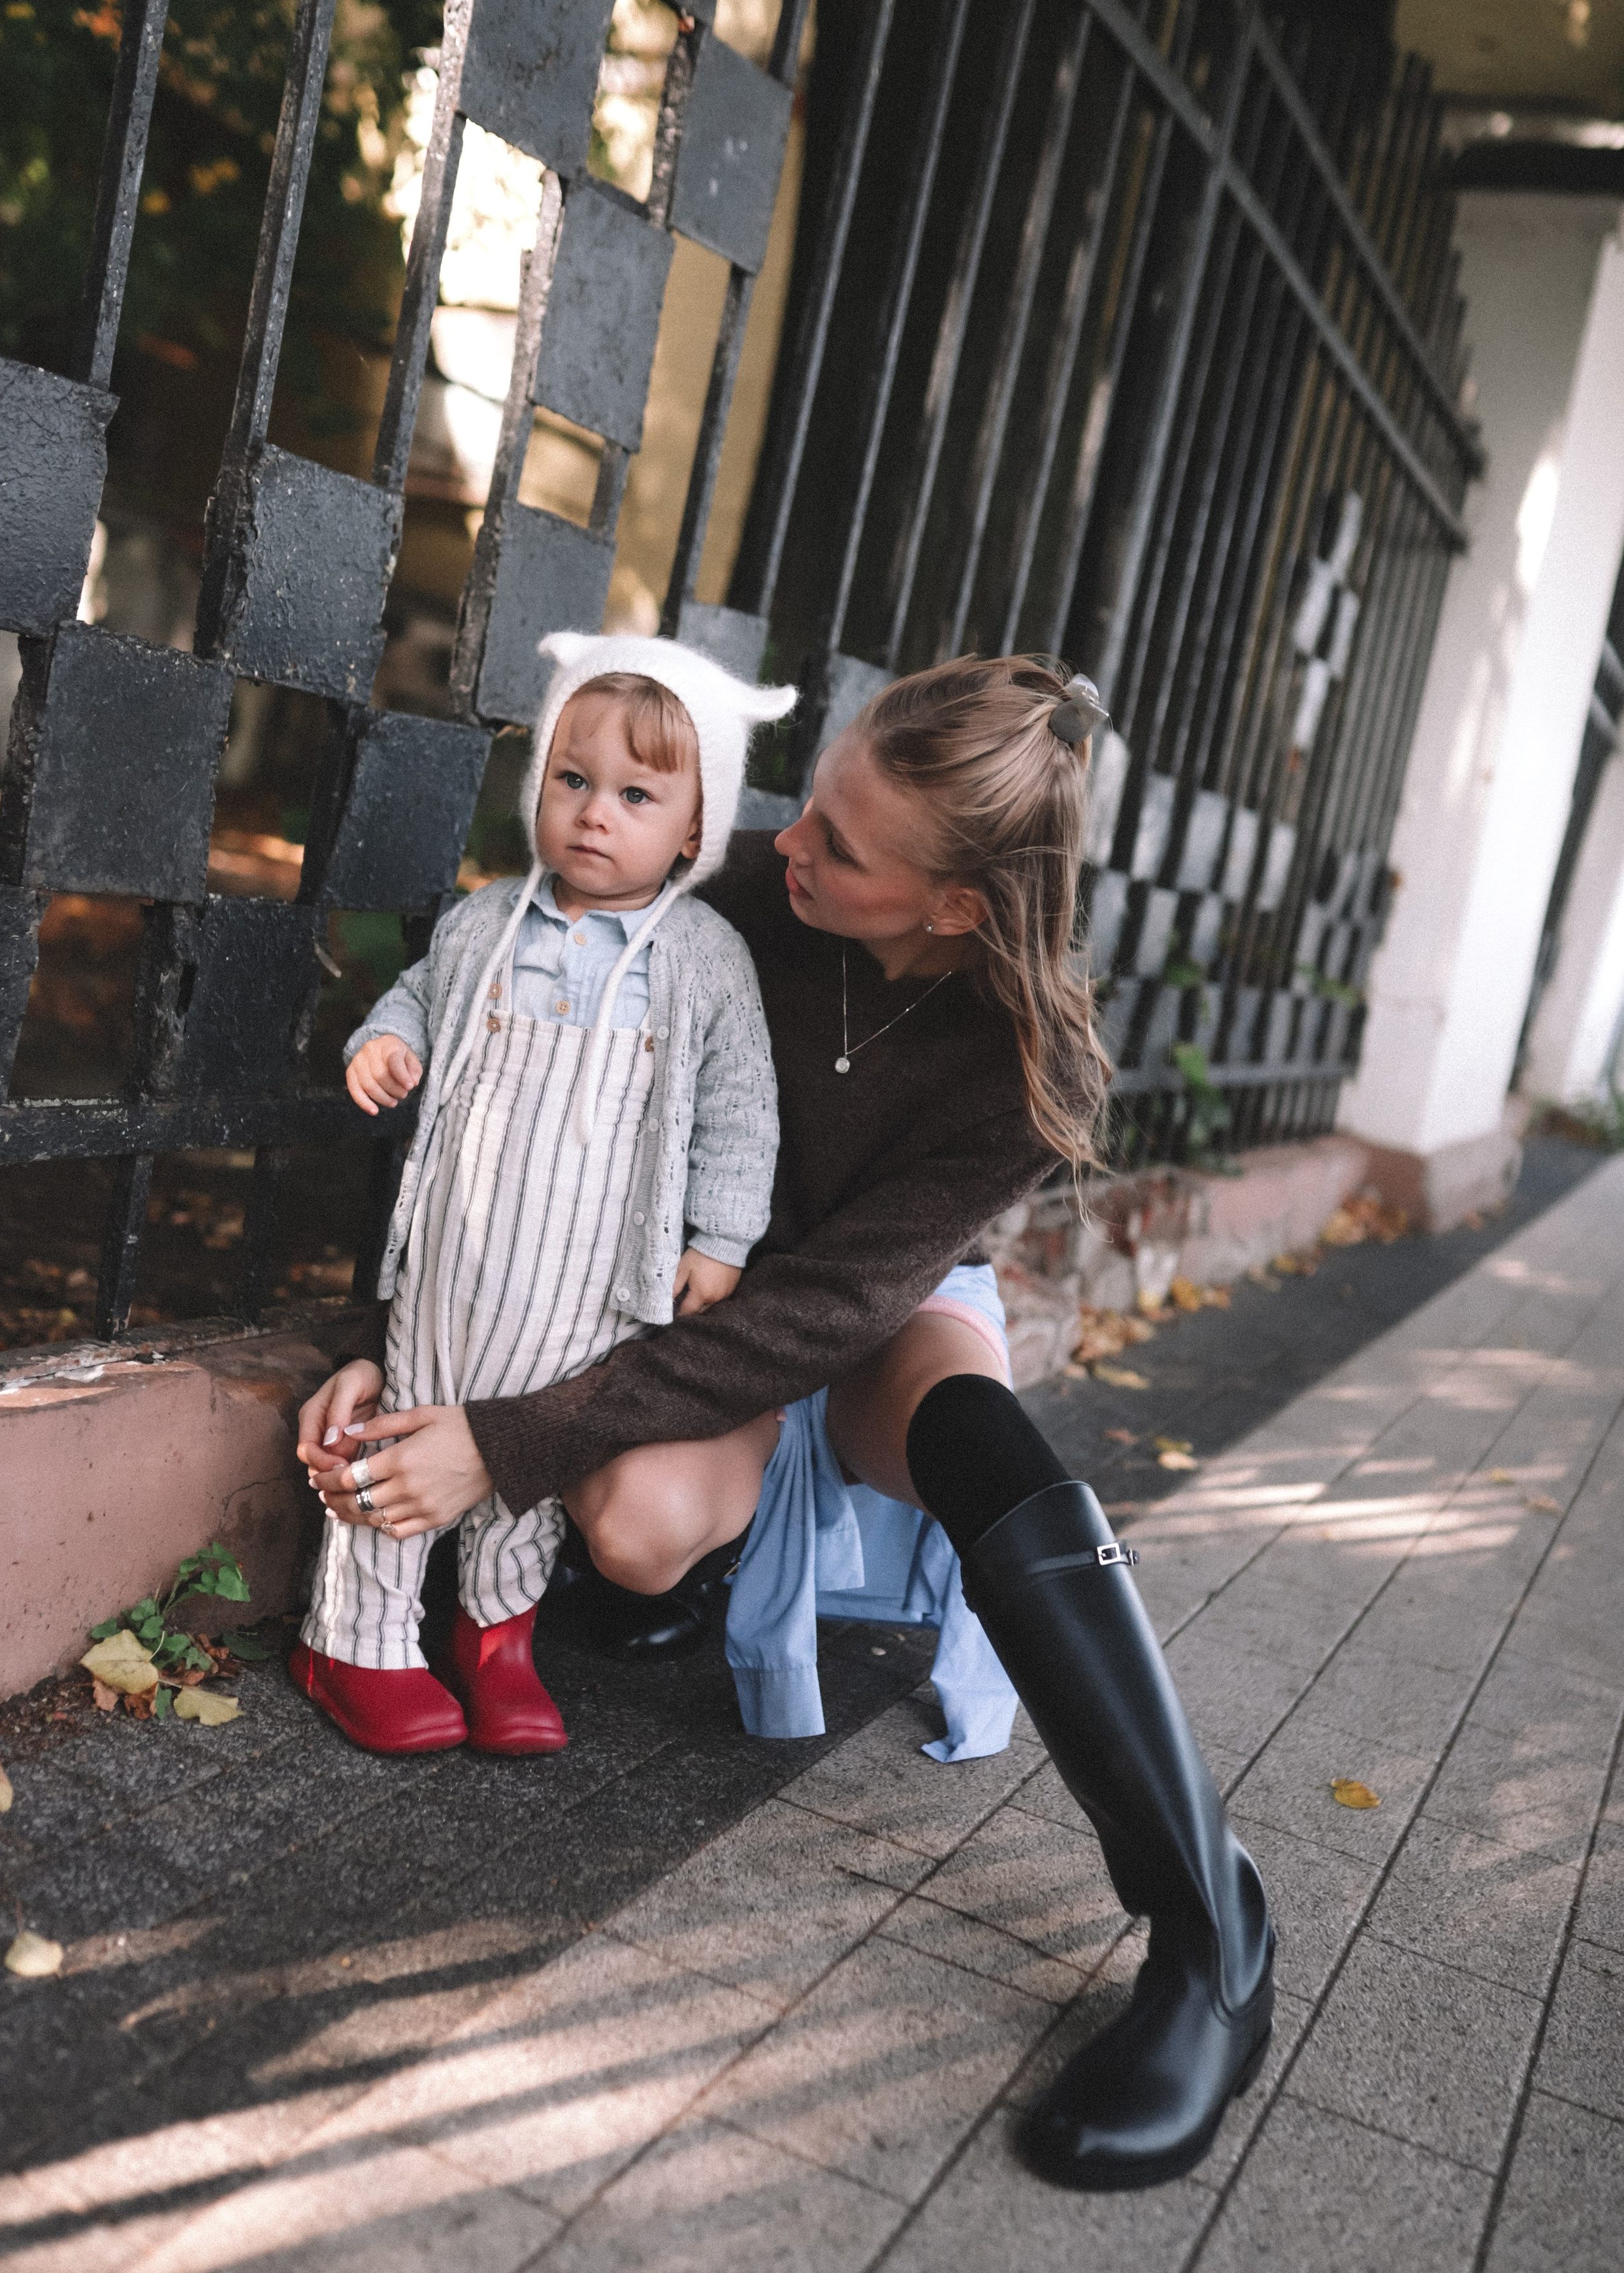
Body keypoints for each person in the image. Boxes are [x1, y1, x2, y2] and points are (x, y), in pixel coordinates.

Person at [300, 652, 1275, 2193]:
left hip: (869, 1302)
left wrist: (506, 1437)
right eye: (808, 808)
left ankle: (1206, 1933)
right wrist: (397, 1350)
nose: (784, 848)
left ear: (955, 907)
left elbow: (823, 1317)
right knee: (629, 1536)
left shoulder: (1022, 1069)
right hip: (681, 1288)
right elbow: (489, 1096)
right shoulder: (734, 888)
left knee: (974, 1441)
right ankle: (700, 1576)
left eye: (838, 844)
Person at [289, 631, 789, 1759]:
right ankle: (353, 1638)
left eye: (635, 794)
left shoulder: (705, 959)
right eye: (572, 780)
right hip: (459, 1248)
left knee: (532, 1453)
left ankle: (496, 1638)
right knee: (414, 1415)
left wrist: (720, 1239)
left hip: (594, 1266)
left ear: (694, 830)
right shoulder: (488, 923)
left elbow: (740, 1110)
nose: (593, 814)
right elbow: (418, 995)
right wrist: (385, 1041)